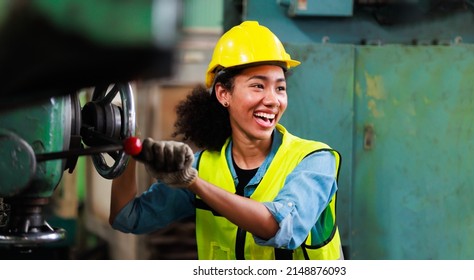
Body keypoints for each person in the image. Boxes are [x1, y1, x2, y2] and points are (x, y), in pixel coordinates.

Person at [109, 21, 343, 260]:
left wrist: (194, 184)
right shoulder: (204, 166)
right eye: (258, 86)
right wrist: (128, 146)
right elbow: (127, 218)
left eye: (280, 88)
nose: (273, 100)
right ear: (223, 94)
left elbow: (282, 228)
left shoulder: (315, 160)